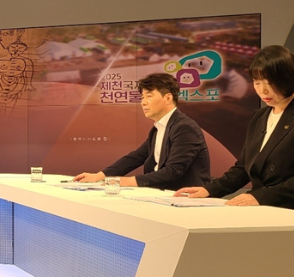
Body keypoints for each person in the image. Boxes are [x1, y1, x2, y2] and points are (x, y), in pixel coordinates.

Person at [175, 45, 294, 214]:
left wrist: (260, 197)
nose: (262, 90)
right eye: (257, 82)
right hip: (268, 207)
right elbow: (244, 167)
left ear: (289, 79)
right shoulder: (260, 117)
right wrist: (209, 190)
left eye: (270, 82)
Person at [74, 72, 210, 190]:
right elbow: (136, 157)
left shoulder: (185, 127)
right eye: (143, 97)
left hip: (185, 197)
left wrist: (123, 181)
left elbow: (173, 171)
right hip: (160, 194)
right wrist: (99, 176)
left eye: (149, 96)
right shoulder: (158, 128)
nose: (143, 102)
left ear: (168, 98)